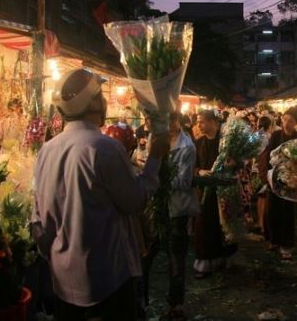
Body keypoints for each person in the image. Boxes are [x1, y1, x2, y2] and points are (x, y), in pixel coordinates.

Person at [31, 68, 169, 321]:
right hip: (106, 280)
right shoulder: (104, 147)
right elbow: (135, 202)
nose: (105, 102)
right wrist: (155, 159)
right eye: (102, 96)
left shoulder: (47, 150)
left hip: (62, 280)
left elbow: (38, 218)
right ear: (93, 103)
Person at [144, 112, 199, 321]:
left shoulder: (187, 146)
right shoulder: (154, 139)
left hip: (177, 210)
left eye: (169, 121)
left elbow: (184, 182)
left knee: (176, 258)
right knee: (147, 255)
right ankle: (142, 300)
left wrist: (157, 178)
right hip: (156, 208)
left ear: (176, 122)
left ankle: (175, 306)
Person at [193, 110, 236, 278]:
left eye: (202, 122)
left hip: (223, 190)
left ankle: (225, 259)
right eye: (198, 122)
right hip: (205, 191)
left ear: (213, 122)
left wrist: (232, 164)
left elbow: (237, 163)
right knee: (205, 225)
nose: (199, 125)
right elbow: (194, 166)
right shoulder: (198, 143)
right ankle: (206, 262)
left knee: (224, 224)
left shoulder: (226, 142)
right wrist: (200, 171)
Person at [262, 108, 297, 260]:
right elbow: (269, 155)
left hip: (290, 180)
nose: (287, 123)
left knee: (287, 212)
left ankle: (286, 245)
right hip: (275, 178)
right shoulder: (276, 135)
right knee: (272, 211)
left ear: (295, 123)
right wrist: (267, 173)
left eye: (291, 120)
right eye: (285, 119)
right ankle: (274, 240)